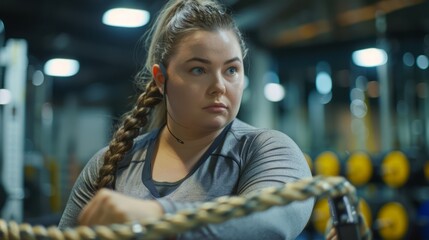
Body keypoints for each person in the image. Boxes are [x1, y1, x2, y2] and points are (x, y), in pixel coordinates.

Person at [58, 0, 314, 239]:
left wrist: (157, 216)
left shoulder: (267, 150)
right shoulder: (112, 162)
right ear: (161, 79)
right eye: (198, 70)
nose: (219, 86)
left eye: (231, 70)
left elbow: (270, 222)